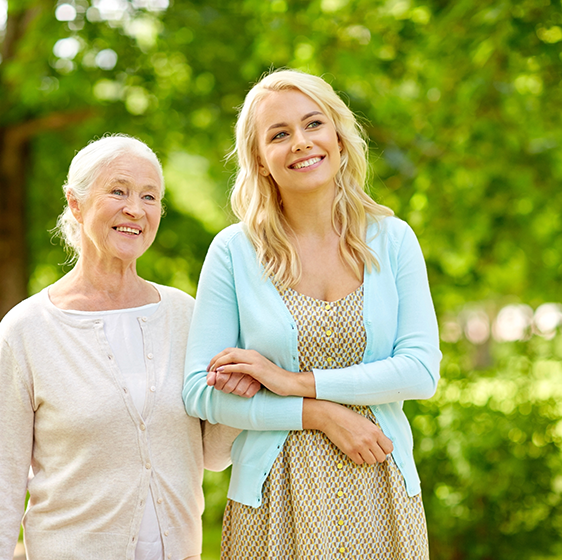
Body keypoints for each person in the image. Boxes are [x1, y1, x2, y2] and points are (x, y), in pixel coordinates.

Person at [182, 69, 441, 559]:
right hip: (272, 504)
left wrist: (293, 381)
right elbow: (200, 391)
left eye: (313, 124)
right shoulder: (234, 253)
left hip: (381, 491)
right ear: (260, 161)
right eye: (279, 135)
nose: (300, 143)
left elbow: (421, 372)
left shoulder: (394, 240)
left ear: (339, 139)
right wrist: (316, 414)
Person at [0, 135, 239, 560]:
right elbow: (1, 483)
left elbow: (211, 455)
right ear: (75, 203)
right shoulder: (26, 330)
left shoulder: (184, 315)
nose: (135, 208)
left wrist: (235, 397)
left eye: (150, 196)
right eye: (118, 191)